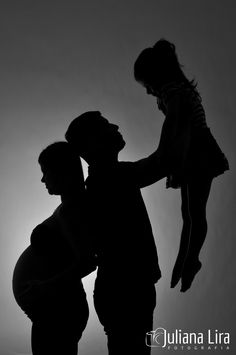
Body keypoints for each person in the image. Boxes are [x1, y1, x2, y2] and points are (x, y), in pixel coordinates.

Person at [65, 111, 168, 355]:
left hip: (123, 288)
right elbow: (163, 161)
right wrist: (178, 115)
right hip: (126, 290)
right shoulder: (111, 177)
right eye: (105, 125)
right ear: (93, 142)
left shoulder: (107, 177)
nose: (115, 125)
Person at [134, 38, 229, 292]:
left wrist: (163, 152)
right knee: (189, 213)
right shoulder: (176, 90)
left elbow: (174, 123)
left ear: (156, 76)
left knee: (195, 212)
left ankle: (191, 259)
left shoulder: (173, 92)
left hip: (198, 152)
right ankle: (185, 257)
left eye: (147, 85)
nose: (148, 91)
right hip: (190, 152)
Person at [12, 142, 96, 355]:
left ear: (62, 171)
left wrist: (44, 287)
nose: (42, 179)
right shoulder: (69, 207)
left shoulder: (72, 210)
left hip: (59, 312)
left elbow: (87, 261)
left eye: (45, 172)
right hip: (52, 312)